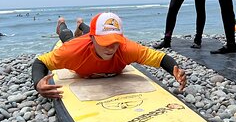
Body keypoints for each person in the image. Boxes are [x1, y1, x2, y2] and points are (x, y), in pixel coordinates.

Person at [33, 12, 187, 99]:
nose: (111, 47)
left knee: (89, 30)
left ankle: (81, 24)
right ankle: (61, 23)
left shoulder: (126, 48)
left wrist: (174, 69)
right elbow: (40, 62)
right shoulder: (72, 51)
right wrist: (39, 83)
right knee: (67, 37)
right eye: (105, 41)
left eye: (115, 41)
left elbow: (161, 58)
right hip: (80, 42)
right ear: (93, 39)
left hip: (92, 36)